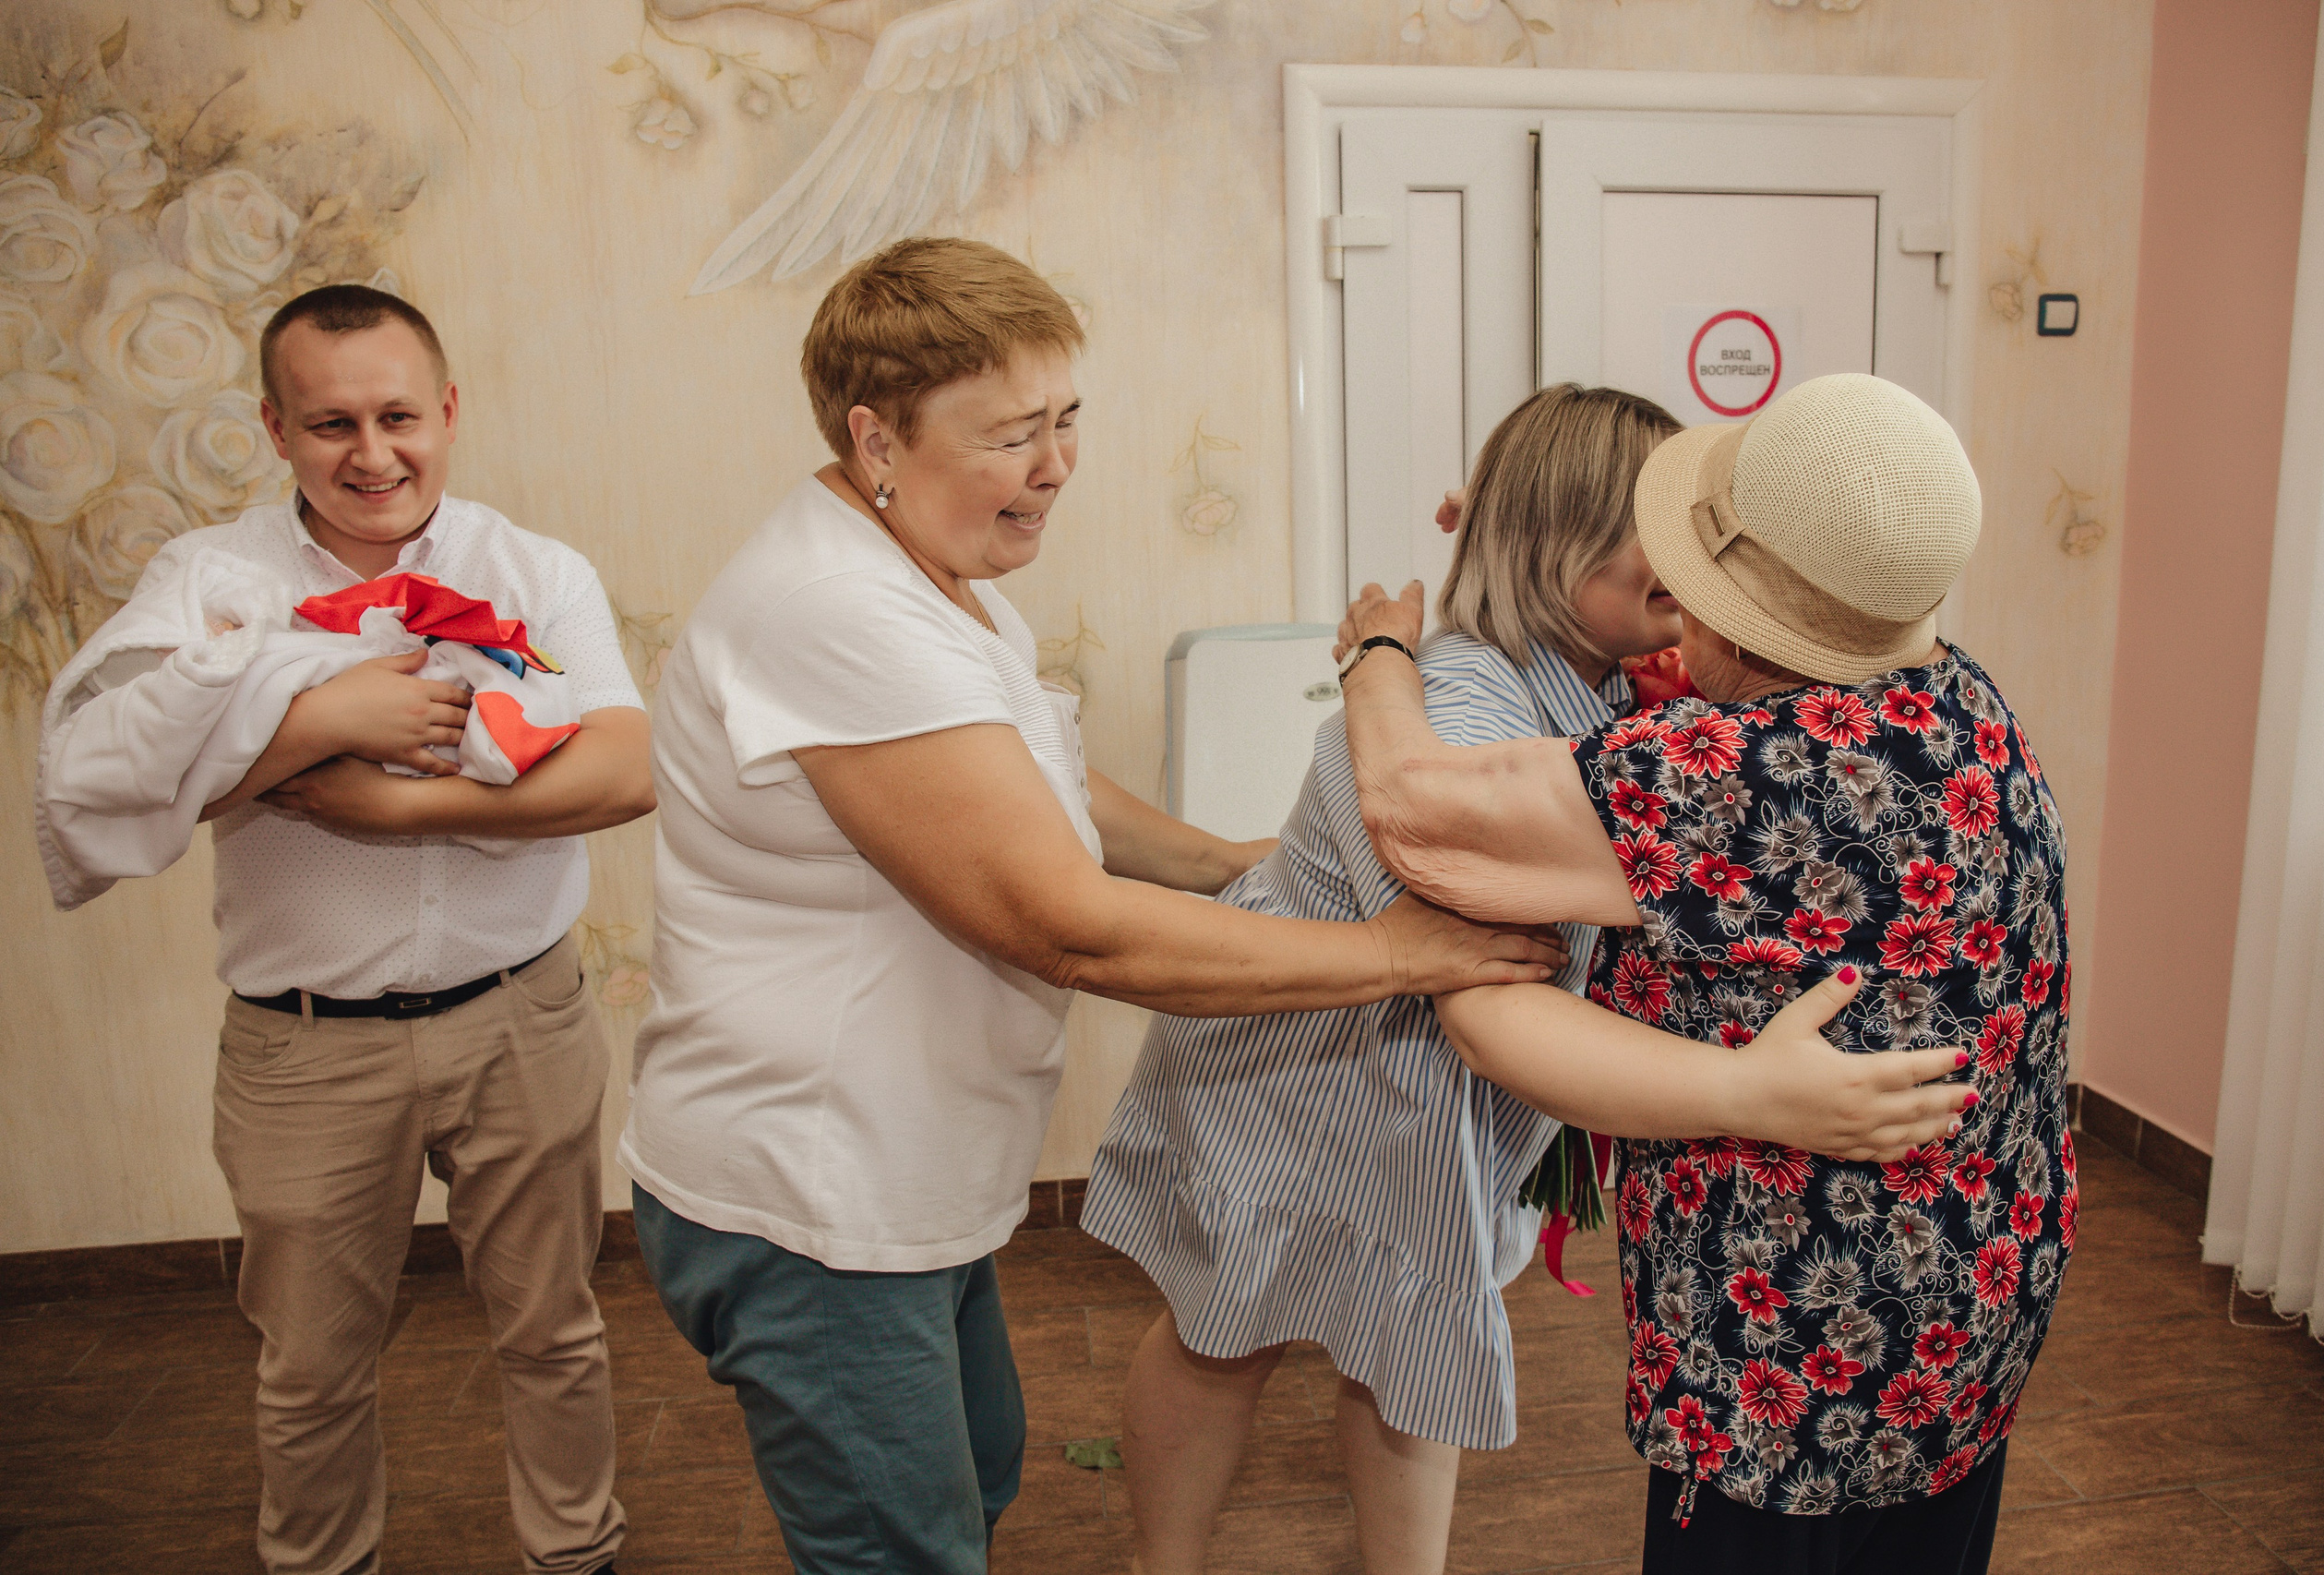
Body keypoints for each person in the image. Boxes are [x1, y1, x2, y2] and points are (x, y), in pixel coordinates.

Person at [616, 236, 1566, 1575]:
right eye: (1012, 434)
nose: (1055, 462)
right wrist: (1386, 953)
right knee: (904, 1548)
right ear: (875, 434)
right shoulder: (834, 612)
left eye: (1066, 419)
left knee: (984, 1473)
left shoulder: (942, 580)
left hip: (912, 1170)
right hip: (810, 1193)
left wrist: (1232, 859)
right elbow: (1066, 920)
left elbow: (1041, 776)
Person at [1083, 384, 1971, 1575]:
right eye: (1656, 541)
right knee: (1224, 1332)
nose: (1689, 566)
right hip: (1297, 1071)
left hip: (1413, 1090)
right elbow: (1463, 913)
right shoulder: (1455, 704)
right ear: (1547, 541)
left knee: (1399, 1360)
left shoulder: (1602, 676)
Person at [1335, 373, 2073, 1575]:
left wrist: (1374, 644)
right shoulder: (1956, 695)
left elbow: (1417, 815)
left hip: (1798, 1362)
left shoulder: (1739, 774)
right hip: (1974, 1303)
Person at [33, 283, 649, 1575]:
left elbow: (627, 771)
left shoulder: (534, 572)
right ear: (274, 427)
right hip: (304, 1048)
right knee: (309, 1366)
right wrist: (317, 723)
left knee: (555, 1331)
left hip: (520, 1019)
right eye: (329, 424)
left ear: (449, 411)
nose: (372, 454)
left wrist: (377, 802)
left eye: (398, 416)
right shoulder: (210, 582)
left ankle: (577, 1555)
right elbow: (115, 772)